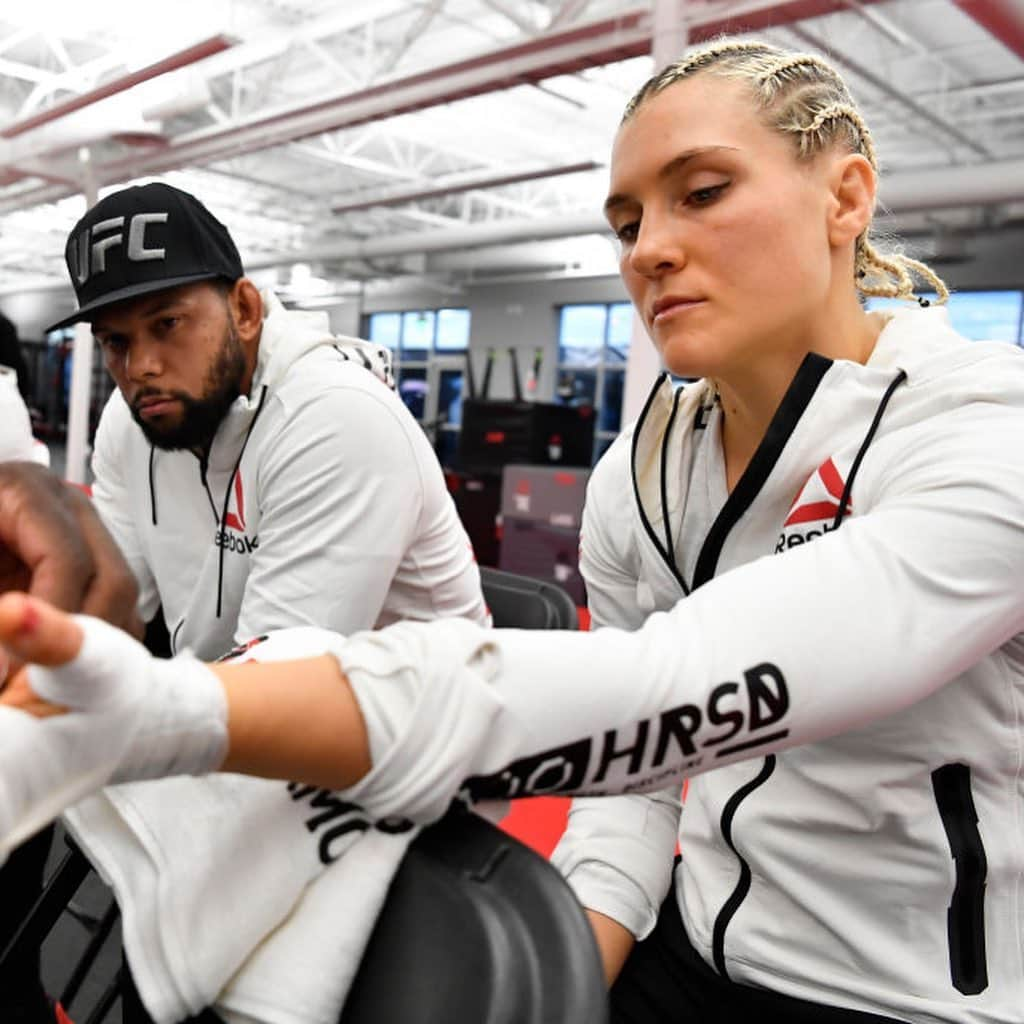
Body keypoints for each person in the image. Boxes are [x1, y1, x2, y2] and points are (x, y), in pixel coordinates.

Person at [3, 37, 1024, 1024]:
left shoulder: (982, 431)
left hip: (921, 997)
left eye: (701, 192)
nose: (650, 250)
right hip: (703, 939)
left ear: (845, 198)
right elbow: (640, 784)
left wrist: (178, 710)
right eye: (626, 223)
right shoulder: (642, 468)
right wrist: (569, 972)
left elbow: (677, 685)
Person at [2, 181, 486, 1024]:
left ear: (247, 309)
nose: (141, 365)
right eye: (116, 341)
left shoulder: (336, 419)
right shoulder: (133, 421)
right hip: (235, 711)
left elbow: (284, 692)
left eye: (168, 325)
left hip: (401, 759)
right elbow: (106, 612)